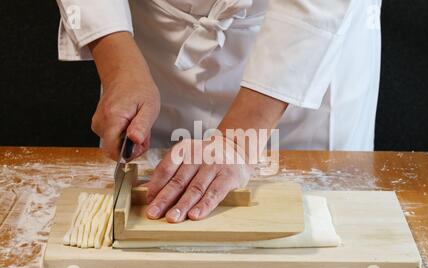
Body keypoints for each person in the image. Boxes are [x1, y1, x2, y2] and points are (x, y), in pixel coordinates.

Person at [56, 0, 382, 222]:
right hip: (154, 36)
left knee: (319, 221)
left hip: (302, 49)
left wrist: (239, 140)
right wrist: (118, 65)